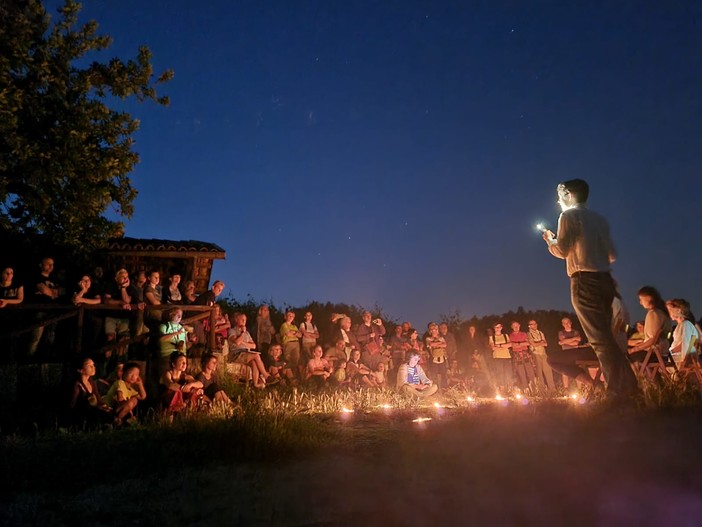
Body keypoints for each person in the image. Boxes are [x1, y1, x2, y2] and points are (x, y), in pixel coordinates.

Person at [542, 178, 638, 402]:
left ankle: (616, 394)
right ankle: (631, 388)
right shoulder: (599, 219)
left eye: (560, 195)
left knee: (599, 340)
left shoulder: (567, 216)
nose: (558, 200)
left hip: (584, 280)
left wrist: (550, 241)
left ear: (570, 195)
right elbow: (612, 255)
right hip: (606, 280)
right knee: (608, 338)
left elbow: (563, 250)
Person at [26, 257, 62, 357]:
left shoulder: (54, 279)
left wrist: (51, 292)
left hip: (52, 311)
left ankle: (45, 359)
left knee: (50, 337)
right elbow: (45, 290)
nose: (51, 266)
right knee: (35, 338)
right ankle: (29, 360)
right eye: (48, 263)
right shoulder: (36, 277)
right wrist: (52, 292)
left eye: (52, 264)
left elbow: (61, 292)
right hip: (39, 311)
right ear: (41, 265)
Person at [628, 286, 672, 363]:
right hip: (663, 352)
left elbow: (652, 340)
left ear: (649, 298)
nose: (640, 303)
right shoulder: (663, 313)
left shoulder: (653, 313)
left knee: (623, 356)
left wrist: (634, 349)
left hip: (654, 353)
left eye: (641, 299)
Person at [228, 312, 269, 388]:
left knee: (254, 361)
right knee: (256, 355)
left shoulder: (247, 333)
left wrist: (243, 343)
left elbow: (253, 345)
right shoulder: (232, 331)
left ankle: (256, 384)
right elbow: (237, 342)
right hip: (236, 354)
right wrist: (242, 333)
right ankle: (266, 375)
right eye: (242, 319)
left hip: (246, 353)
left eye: (245, 320)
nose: (244, 321)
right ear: (236, 320)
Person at [68, 356, 112, 428]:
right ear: (80, 370)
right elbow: (72, 405)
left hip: (93, 411)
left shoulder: (91, 382)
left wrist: (103, 406)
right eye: (89, 366)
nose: (93, 367)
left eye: (93, 365)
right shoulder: (76, 385)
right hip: (83, 414)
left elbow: (98, 398)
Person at [666, 299, 700, 369]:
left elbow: (686, 344)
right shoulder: (681, 325)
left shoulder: (686, 325)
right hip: (678, 358)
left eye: (669, 309)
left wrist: (670, 352)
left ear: (678, 310)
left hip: (682, 360)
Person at [527, 320, 556, 392]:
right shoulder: (528, 333)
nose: (534, 325)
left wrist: (538, 343)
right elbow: (533, 344)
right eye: (532, 324)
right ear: (529, 326)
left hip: (543, 353)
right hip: (535, 353)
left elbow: (546, 344)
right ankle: (541, 390)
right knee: (538, 372)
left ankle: (552, 389)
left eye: (535, 324)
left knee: (548, 371)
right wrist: (540, 343)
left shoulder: (540, 332)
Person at [509, 321, 536, 391]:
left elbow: (528, 343)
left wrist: (518, 344)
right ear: (512, 327)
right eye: (514, 326)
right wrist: (521, 344)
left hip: (525, 354)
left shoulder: (523, 334)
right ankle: (526, 390)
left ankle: (535, 389)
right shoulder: (510, 335)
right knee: (522, 373)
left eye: (517, 326)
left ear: (519, 326)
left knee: (530, 372)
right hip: (517, 355)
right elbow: (512, 345)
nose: (516, 327)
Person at [489, 322, 512, 394]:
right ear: (494, 328)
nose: (497, 329)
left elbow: (510, 344)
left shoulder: (505, 336)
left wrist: (499, 345)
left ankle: (509, 390)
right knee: (500, 374)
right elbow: (493, 348)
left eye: (499, 327)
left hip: (507, 356)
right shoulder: (491, 337)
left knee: (508, 373)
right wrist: (503, 346)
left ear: (501, 328)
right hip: (497, 357)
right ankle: (502, 390)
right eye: (496, 327)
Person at [425, 322, 448, 389]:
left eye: (435, 329)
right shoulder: (428, 338)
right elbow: (431, 344)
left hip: (442, 358)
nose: (434, 331)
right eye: (432, 329)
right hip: (433, 359)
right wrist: (439, 343)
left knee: (444, 374)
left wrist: (436, 343)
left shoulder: (441, 338)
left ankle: (444, 389)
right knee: (434, 375)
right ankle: (434, 389)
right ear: (430, 331)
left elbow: (445, 345)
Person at [280, 310, 302, 376]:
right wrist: (295, 333)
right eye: (289, 315)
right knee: (288, 360)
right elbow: (288, 334)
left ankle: (293, 376)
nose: (290, 317)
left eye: (292, 316)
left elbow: (300, 335)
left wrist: (293, 332)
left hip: (296, 343)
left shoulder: (294, 326)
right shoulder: (284, 325)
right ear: (285, 316)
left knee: (296, 360)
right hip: (288, 343)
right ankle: (284, 376)